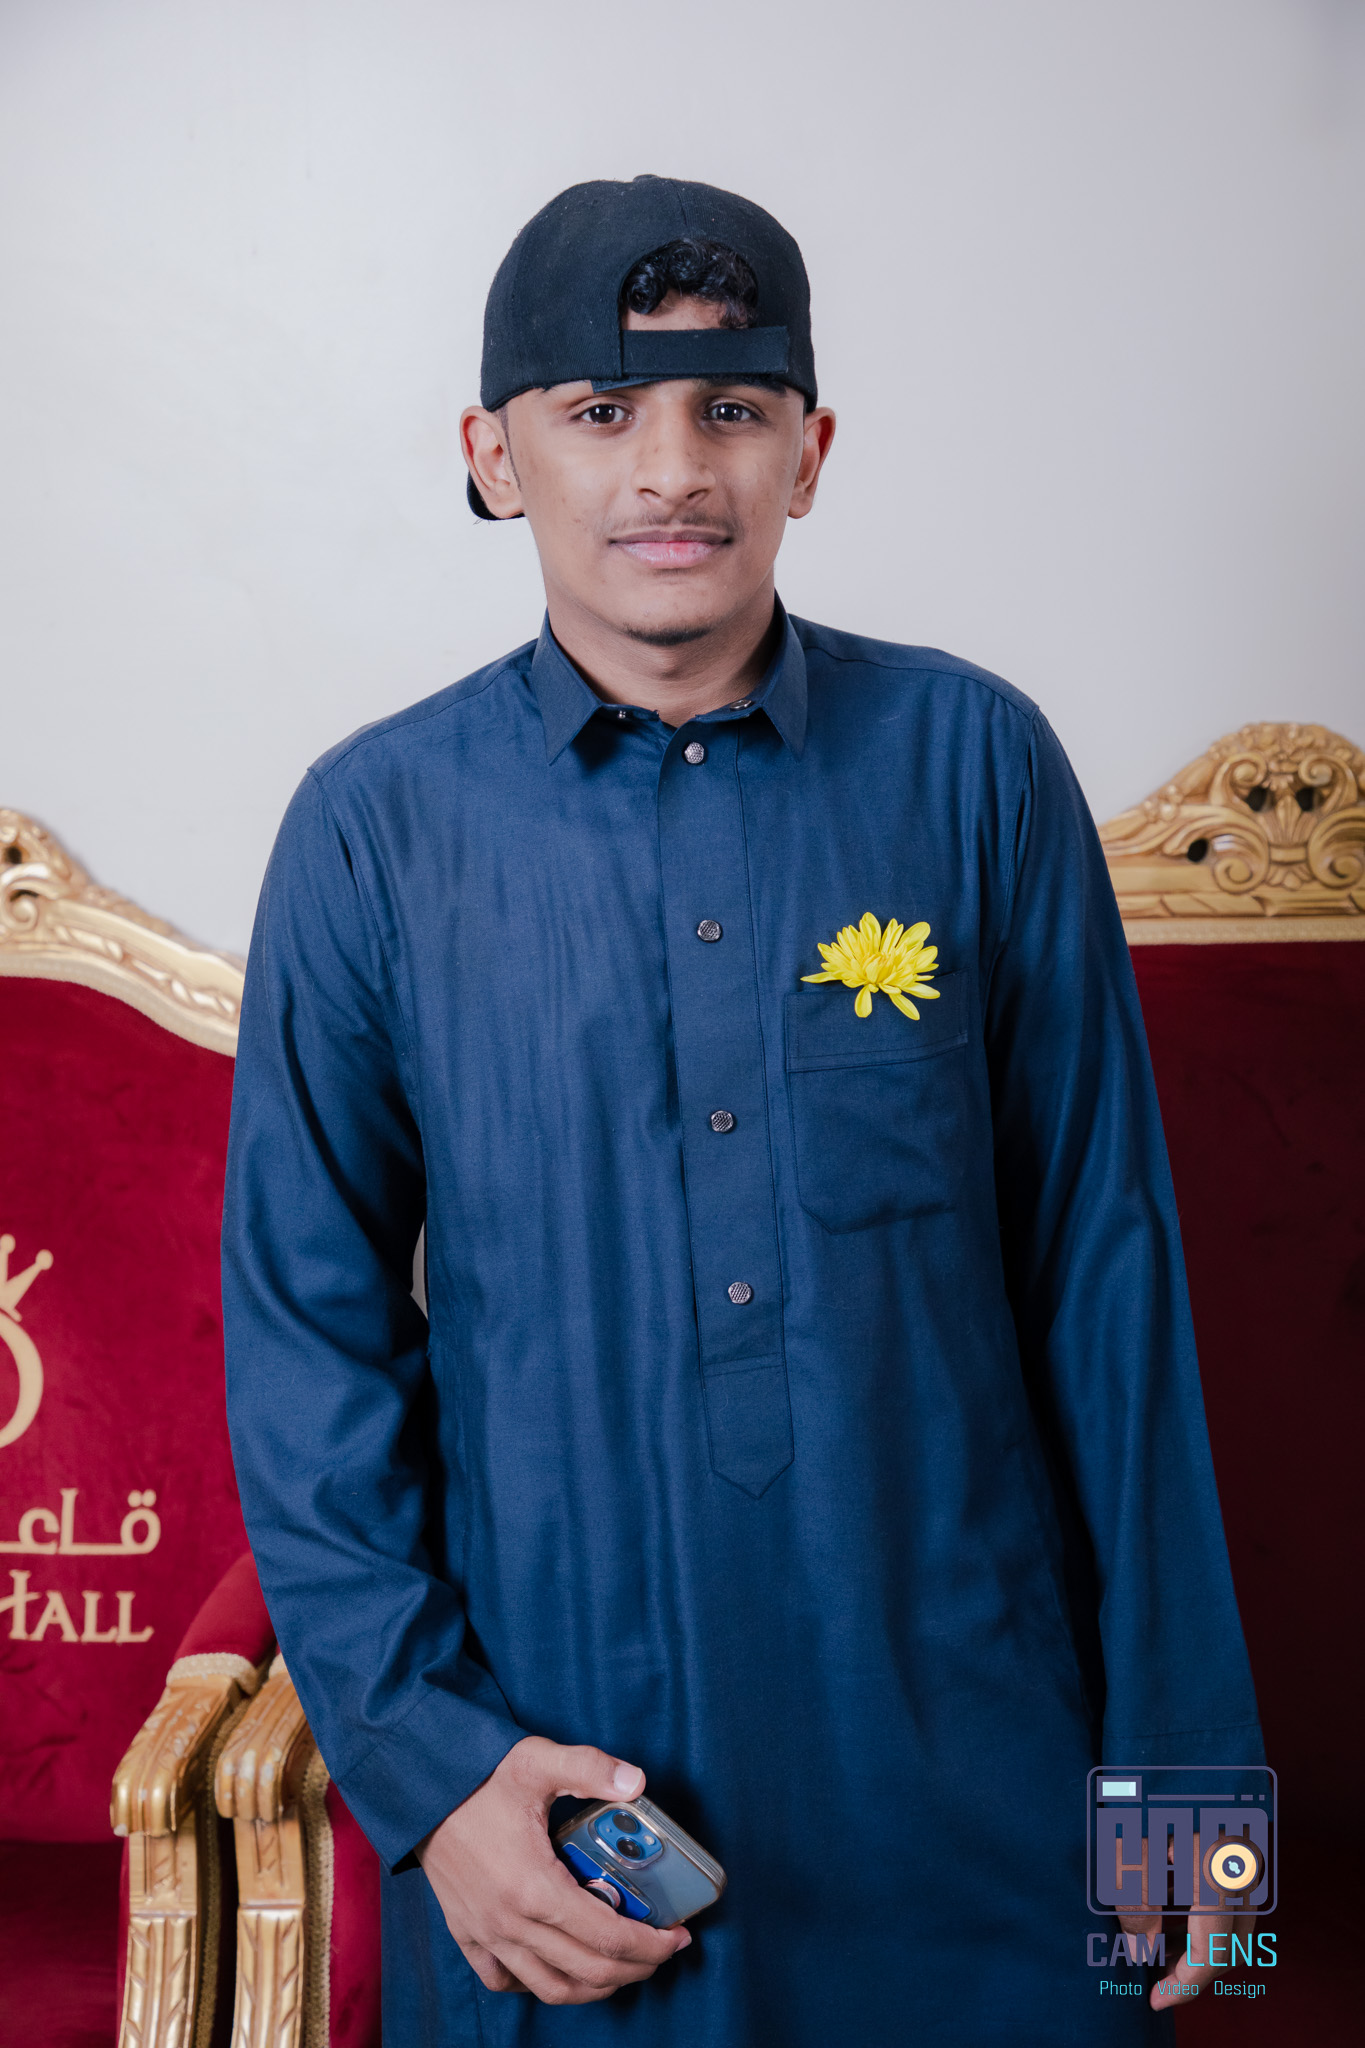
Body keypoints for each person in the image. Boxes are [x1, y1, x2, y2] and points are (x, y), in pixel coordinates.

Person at [223, 175, 1262, 2045]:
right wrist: (435, 1780)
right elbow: (308, 1344)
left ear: (811, 449)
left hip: (972, 1770)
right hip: (571, 1809)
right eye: (599, 410)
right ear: (491, 455)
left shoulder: (973, 762)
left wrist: (1190, 1799)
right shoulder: (373, 828)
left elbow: (1108, 1285)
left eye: (730, 408)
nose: (670, 471)